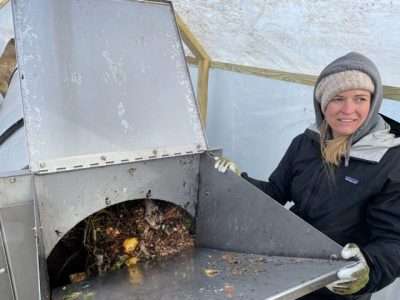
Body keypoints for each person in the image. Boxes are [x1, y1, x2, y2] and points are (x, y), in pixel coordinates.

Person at [215, 52, 400, 300]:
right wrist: (238, 182)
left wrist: (368, 268)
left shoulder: (390, 159)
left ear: (373, 102)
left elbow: (393, 239)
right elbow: (276, 193)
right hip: (289, 266)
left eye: (360, 98)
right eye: (337, 98)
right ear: (322, 103)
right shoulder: (307, 142)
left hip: (336, 284)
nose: (348, 110)